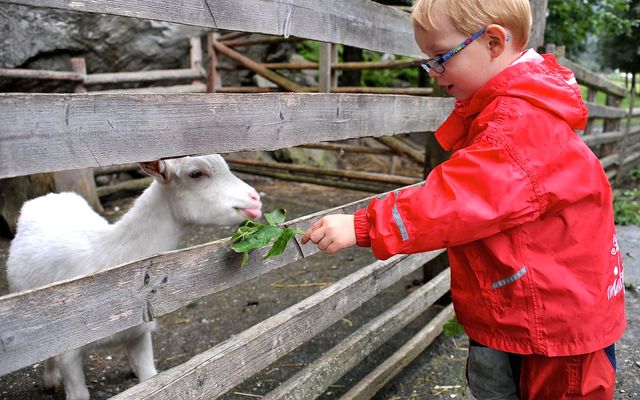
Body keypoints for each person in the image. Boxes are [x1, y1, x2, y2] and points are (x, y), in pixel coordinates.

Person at [301, 0, 626, 398]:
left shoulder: (520, 124)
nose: (433, 72)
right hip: (528, 311)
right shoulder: (507, 110)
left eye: (441, 57)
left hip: (552, 327)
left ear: (492, 42)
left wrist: (365, 224)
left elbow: (460, 199)